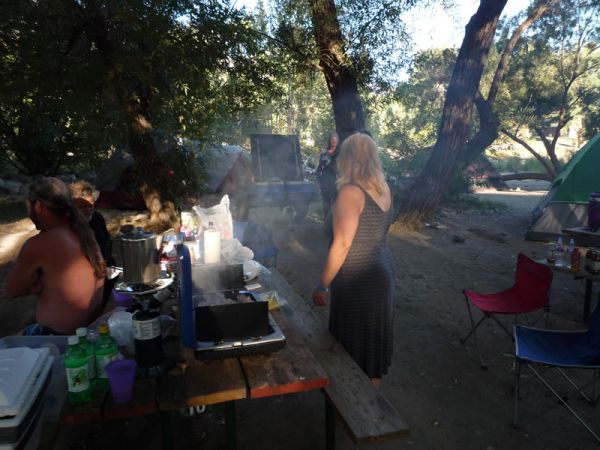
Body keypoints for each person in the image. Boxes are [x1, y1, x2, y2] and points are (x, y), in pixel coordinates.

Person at [312, 133, 395, 387]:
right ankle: (370, 405)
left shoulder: (351, 192)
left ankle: (356, 408)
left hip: (359, 278)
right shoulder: (384, 187)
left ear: (347, 158)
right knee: (371, 343)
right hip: (382, 269)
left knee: (353, 343)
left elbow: (343, 244)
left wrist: (322, 285)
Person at [6, 177, 106, 335]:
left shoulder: (38, 244)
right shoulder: (84, 233)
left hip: (58, 336)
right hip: (91, 328)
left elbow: (12, 290)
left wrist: (38, 286)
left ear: (38, 206)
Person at [70, 179, 116, 308]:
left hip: (104, 272)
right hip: (82, 279)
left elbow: (106, 242)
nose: (89, 209)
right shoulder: (68, 225)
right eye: (83, 206)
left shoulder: (97, 218)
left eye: (91, 205)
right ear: (72, 205)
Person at [315, 132, 339, 220]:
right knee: (326, 204)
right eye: (332, 138)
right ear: (330, 140)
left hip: (336, 182)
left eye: (336, 138)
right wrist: (317, 180)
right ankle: (326, 222)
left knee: (336, 203)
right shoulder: (324, 153)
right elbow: (319, 168)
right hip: (325, 182)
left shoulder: (340, 152)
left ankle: (335, 223)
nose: (334, 140)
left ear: (338, 140)